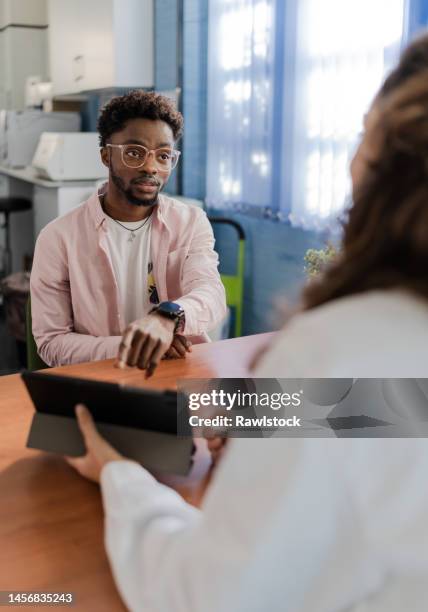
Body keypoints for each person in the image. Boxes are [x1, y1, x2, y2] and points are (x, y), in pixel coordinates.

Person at [67, 36, 428, 611]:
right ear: (107, 155)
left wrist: (119, 474)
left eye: (362, 133)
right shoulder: (62, 235)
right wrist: (255, 412)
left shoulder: (344, 341)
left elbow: (205, 596)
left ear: (389, 157)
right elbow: (399, 407)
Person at [30, 91, 226, 371]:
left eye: (163, 156)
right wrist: (133, 344)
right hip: (102, 381)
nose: (150, 167)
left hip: (179, 373)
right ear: (106, 156)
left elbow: (211, 293)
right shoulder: (58, 238)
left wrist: (167, 318)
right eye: (134, 153)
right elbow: (51, 343)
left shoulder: (191, 222)